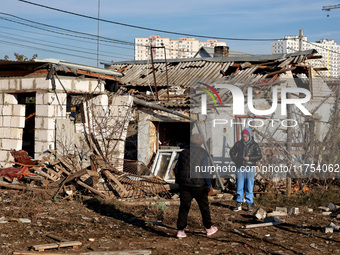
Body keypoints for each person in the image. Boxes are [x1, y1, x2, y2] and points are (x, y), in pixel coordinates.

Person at [174, 133, 218, 238]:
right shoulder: (203, 153)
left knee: (184, 207)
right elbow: (205, 171)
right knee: (204, 207)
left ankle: (180, 230)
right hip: (199, 185)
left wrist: (179, 181)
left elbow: (176, 169)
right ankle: (208, 228)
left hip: (184, 185)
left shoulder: (183, 152)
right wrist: (208, 184)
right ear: (201, 142)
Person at [230, 128, 262, 212]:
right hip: (240, 167)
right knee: (239, 185)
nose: (244, 138)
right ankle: (239, 203)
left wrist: (250, 158)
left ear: (249, 136)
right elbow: (232, 152)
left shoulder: (254, 145)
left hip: (250, 167)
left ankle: (249, 204)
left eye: (246, 137)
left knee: (249, 186)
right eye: (243, 136)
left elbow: (259, 156)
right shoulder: (238, 144)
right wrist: (236, 160)